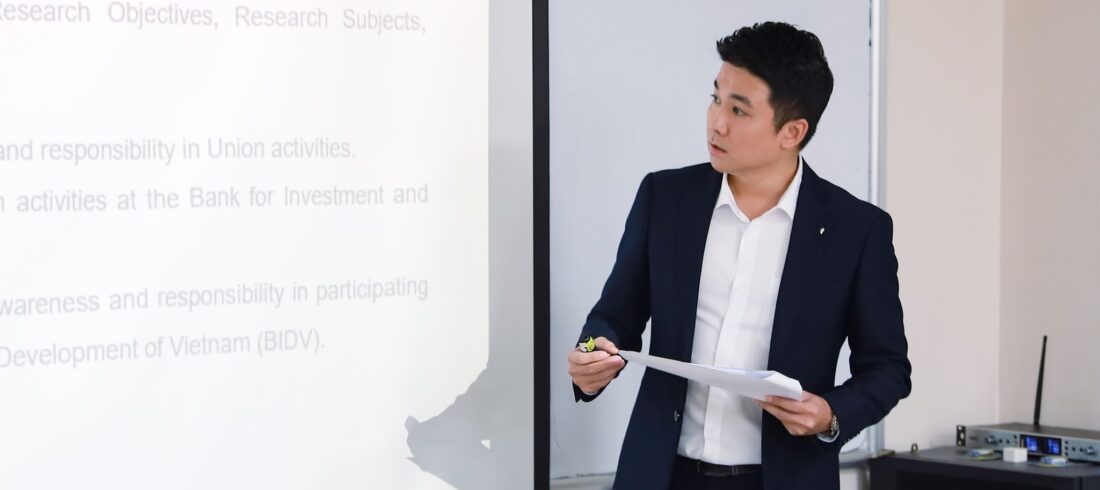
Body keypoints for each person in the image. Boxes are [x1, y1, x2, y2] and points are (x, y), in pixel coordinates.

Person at [566, 21, 911, 490]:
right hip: (663, 476)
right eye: (715, 98)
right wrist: (590, 356)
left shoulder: (856, 230)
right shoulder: (665, 199)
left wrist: (830, 414)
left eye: (738, 109)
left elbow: (888, 369)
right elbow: (612, 318)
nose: (717, 122)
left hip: (781, 479)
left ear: (792, 131)